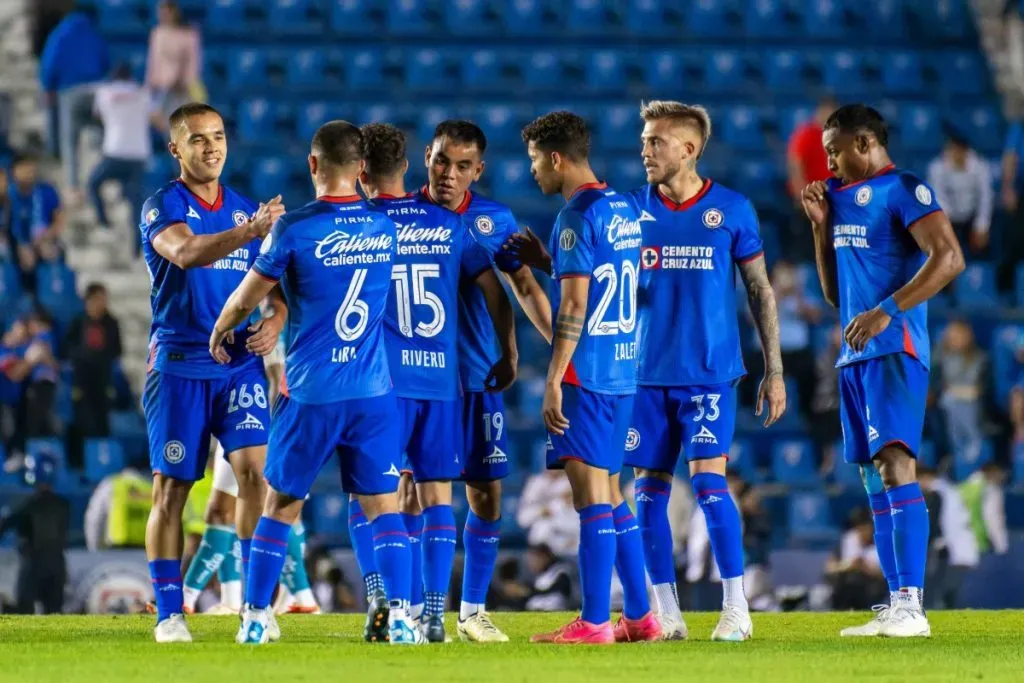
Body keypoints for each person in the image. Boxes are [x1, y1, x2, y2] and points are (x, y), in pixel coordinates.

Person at [209, 120, 421, 645]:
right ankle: (400, 618)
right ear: (363, 170)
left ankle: (256, 618)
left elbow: (247, 296)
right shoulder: (384, 228)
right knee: (382, 508)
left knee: (280, 505)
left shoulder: (296, 229)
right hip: (372, 392)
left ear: (312, 164)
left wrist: (221, 327)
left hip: (310, 392)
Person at [370, 120, 549, 643]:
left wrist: (545, 352)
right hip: (417, 383)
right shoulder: (397, 216)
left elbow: (524, 288)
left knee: (486, 497)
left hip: (479, 376)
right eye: (441, 161)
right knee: (410, 494)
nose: (449, 174)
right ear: (426, 156)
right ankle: (408, 609)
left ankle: (470, 611)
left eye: (463, 166)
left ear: (479, 170)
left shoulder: (494, 220)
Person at [618, 101, 785, 642]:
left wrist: (774, 370)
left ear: (688, 149)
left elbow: (761, 289)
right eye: (644, 141)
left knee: (712, 486)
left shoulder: (733, 210)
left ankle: (736, 607)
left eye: (655, 142)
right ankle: (667, 612)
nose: (644, 150)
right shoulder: (629, 211)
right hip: (645, 375)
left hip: (709, 375)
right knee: (647, 494)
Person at [801, 104, 965, 638]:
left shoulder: (904, 190)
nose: (829, 161)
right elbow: (832, 295)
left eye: (835, 150)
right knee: (873, 476)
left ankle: (913, 606)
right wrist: (820, 230)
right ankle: (897, 603)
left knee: (896, 463)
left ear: (866, 142)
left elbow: (948, 258)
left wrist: (886, 312)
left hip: (894, 348)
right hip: (854, 354)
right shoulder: (841, 201)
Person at [139, 102, 286, 643]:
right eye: (198, 139)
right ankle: (170, 614)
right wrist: (251, 232)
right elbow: (188, 254)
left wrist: (275, 321)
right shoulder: (163, 206)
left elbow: (279, 289)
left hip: (239, 364)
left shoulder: (246, 207)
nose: (212, 147)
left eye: (218, 136)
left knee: (257, 475)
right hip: (179, 364)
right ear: (175, 149)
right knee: (172, 490)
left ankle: (253, 607)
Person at [508, 110, 650, 645]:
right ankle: (640, 617)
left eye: (534, 163)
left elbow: (573, 303)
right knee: (614, 494)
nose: (533, 174)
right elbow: (609, 275)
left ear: (556, 158)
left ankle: (593, 622)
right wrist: (548, 261)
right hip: (622, 369)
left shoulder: (573, 216)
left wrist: (553, 377)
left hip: (586, 374)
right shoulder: (624, 208)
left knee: (590, 498)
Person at [39, 4, 109, 194]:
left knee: (70, 139)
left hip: (70, 91)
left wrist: (48, 86)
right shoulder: (95, 32)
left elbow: (50, 62)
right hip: (96, 89)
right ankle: (101, 182)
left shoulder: (61, 33)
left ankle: (73, 186)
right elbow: (106, 61)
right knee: (101, 136)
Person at [89, 63, 157, 249]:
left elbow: (97, 115)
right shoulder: (143, 93)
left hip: (114, 152)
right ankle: (137, 246)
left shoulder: (104, 92)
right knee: (136, 202)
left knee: (93, 184)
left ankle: (104, 222)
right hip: (137, 155)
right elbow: (156, 119)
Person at [0, 451, 69, 614]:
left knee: (25, 610)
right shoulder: (64, 505)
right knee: (55, 614)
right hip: (57, 565)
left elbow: (4, 525)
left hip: (33, 566)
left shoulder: (27, 505)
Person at [64, 282, 122, 465]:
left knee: (101, 421)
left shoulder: (111, 323)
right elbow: (67, 349)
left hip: (102, 380)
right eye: (97, 299)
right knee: (83, 420)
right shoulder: (78, 321)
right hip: (81, 381)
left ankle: (100, 463)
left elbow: (117, 350)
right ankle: (81, 463)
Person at [785, 96, 838, 261]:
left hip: (831, 200)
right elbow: (795, 165)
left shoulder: (838, 137)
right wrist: (802, 196)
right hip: (810, 199)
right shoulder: (807, 134)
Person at [926, 131, 992, 255]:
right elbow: (936, 195)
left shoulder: (980, 166)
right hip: (948, 217)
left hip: (971, 217)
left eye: (956, 149)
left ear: (964, 151)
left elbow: (985, 198)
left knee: (982, 243)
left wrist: (981, 226)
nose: (951, 153)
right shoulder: (937, 167)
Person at [147, 1, 203, 119]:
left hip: (183, 88)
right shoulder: (157, 34)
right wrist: (151, 84)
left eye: (167, 12)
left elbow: (193, 62)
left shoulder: (189, 34)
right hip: (161, 88)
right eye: (161, 13)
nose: (164, 16)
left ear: (175, 13)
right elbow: (153, 62)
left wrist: (185, 82)